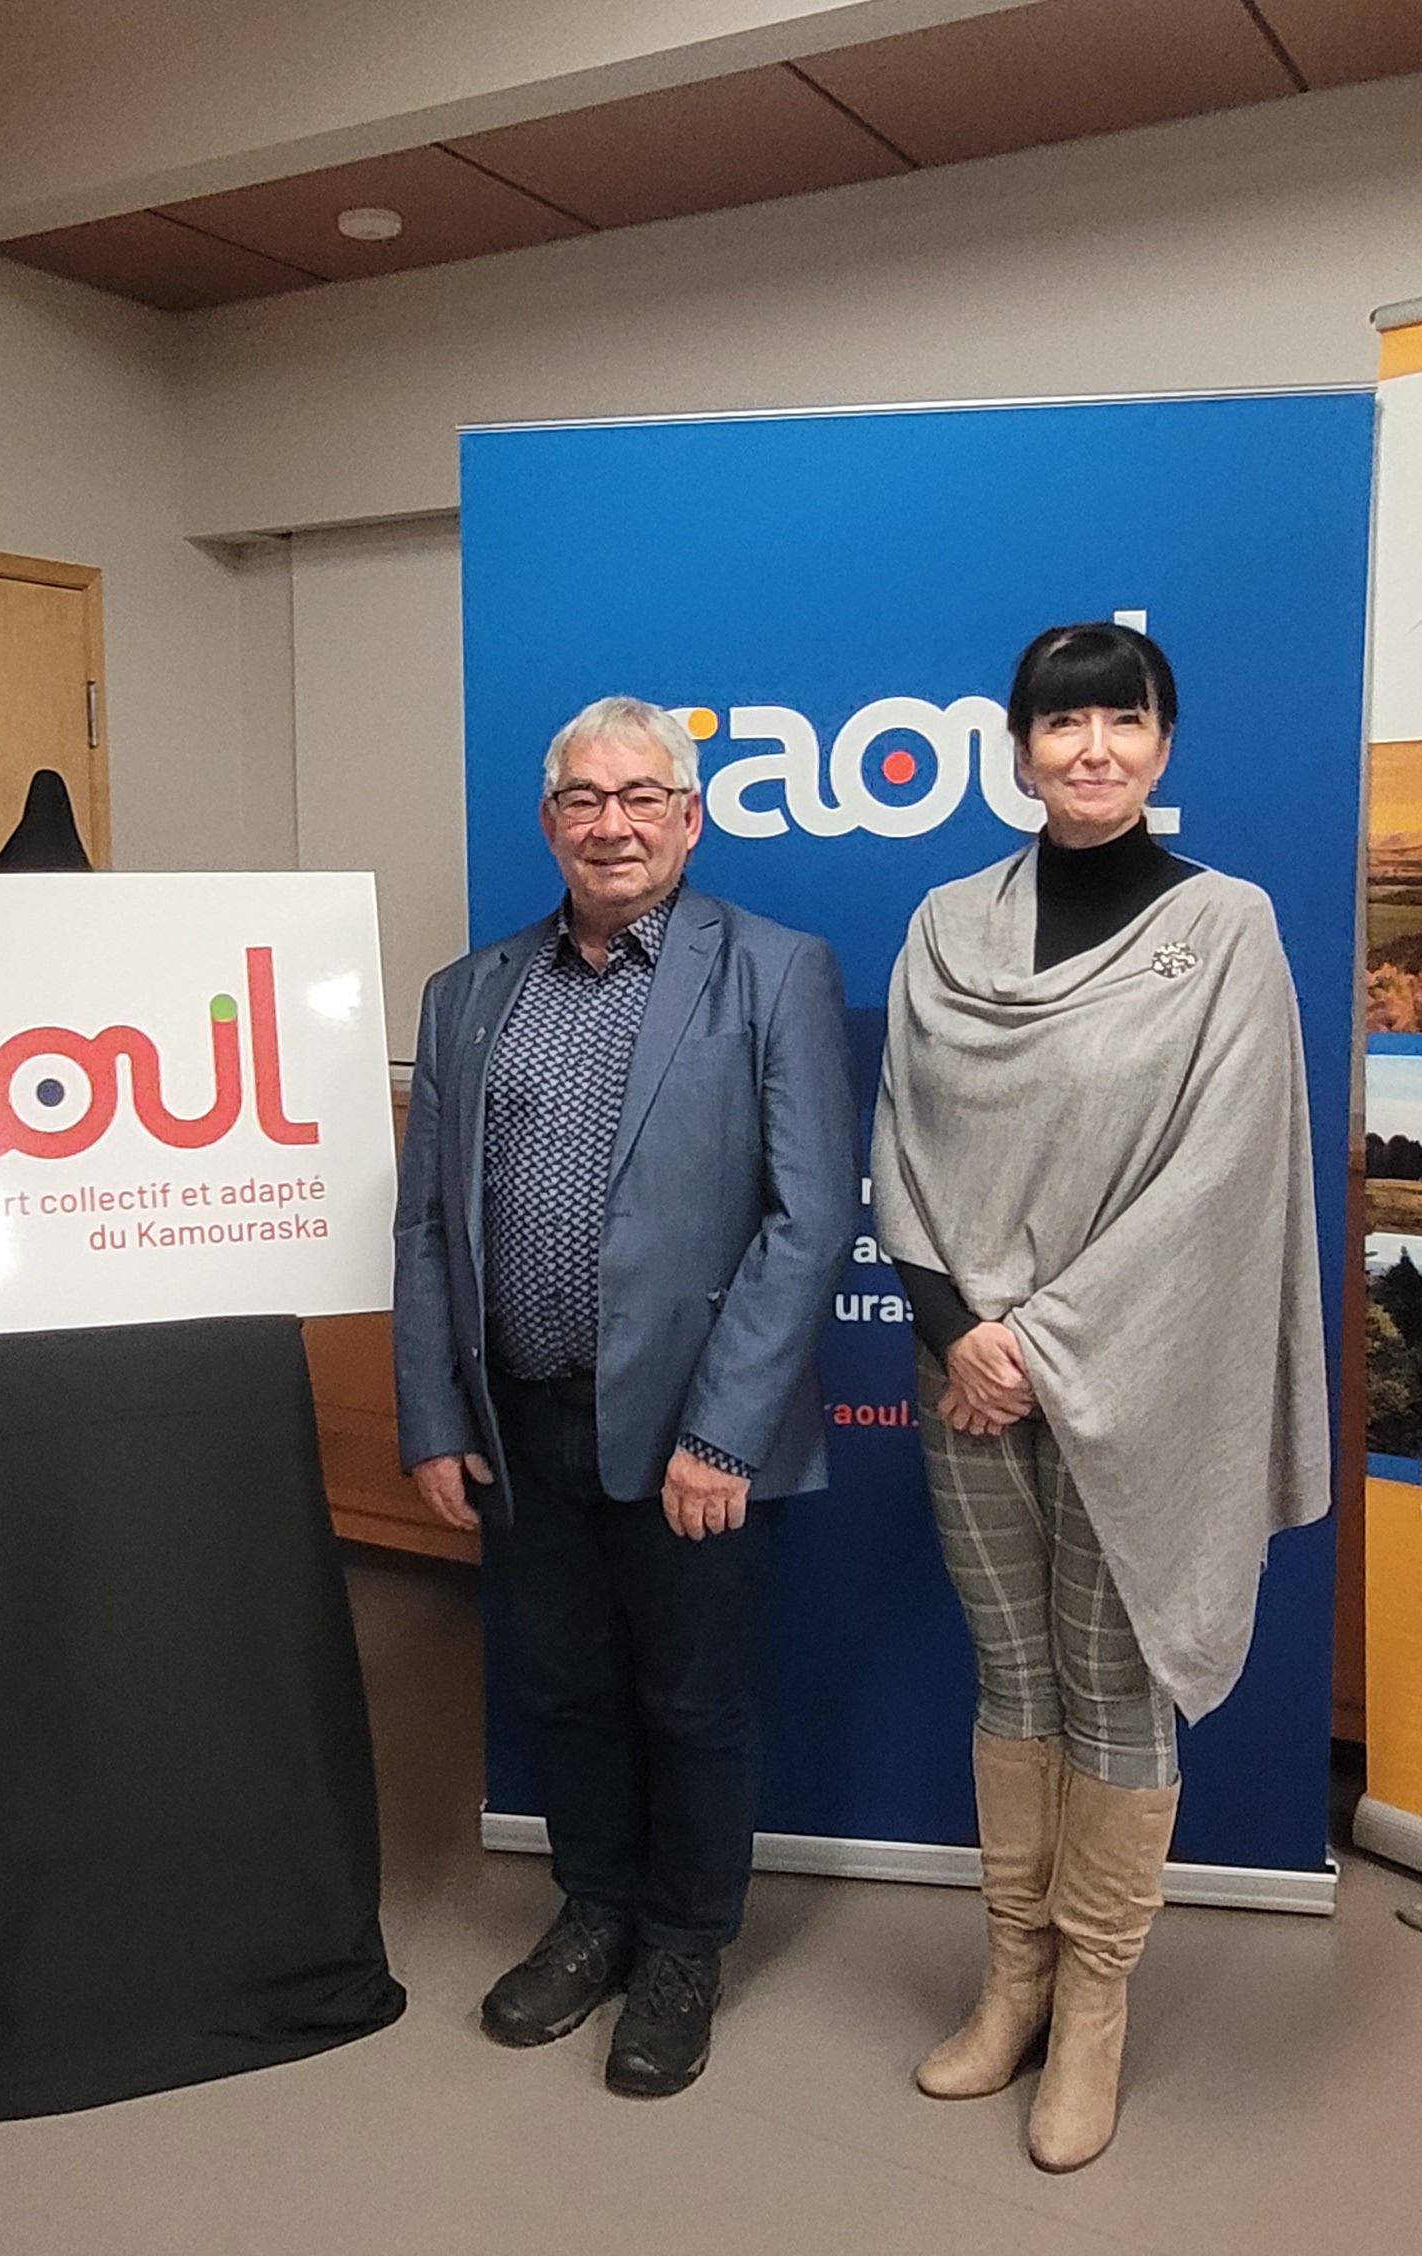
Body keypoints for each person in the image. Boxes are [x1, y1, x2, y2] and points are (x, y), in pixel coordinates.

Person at [874, 622, 1328, 2173]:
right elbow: (901, 1140)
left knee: (1115, 1691)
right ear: (1018, 751)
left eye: (1121, 722)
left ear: (1162, 744)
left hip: (1145, 1379)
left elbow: (1223, 1177)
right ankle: (1014, 1984)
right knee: (1013, 1681)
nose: (1092, 750)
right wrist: (960, 1333)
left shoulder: (1228, 927)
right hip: (968, 1378)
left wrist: (1041, 1340)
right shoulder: (945, 927)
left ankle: (1094, 2013)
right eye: (1061, 725)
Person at [392, 696, 858, 2098]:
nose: (613, 824)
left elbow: (810, 1218)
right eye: (586, 800)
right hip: (521, 1419)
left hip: (691, 1436)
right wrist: (435, 1417)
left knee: (696, 1703)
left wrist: (724, 1430)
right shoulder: (468, 994)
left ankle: (685, 1950)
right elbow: (426, 1226)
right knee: (565, 1688)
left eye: (642, 796)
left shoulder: (772, 970)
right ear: (550, 822)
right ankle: (596, 1913)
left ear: (690, 817)